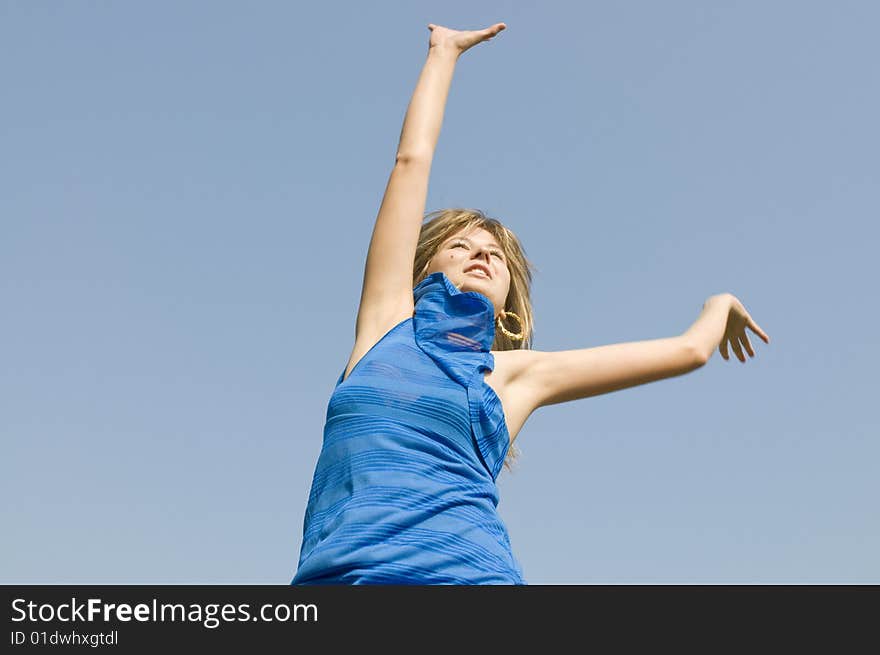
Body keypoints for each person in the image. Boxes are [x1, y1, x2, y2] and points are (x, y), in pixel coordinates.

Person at [290, 22, 770, 585]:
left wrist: (720, 303)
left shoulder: (514, 378)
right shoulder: (382, 326)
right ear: (421, 267)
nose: (480, 254)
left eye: (494, 254)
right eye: (460, 245)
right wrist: (443, 53)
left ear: (508, 302)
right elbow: (410, 163)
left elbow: (689, 350)